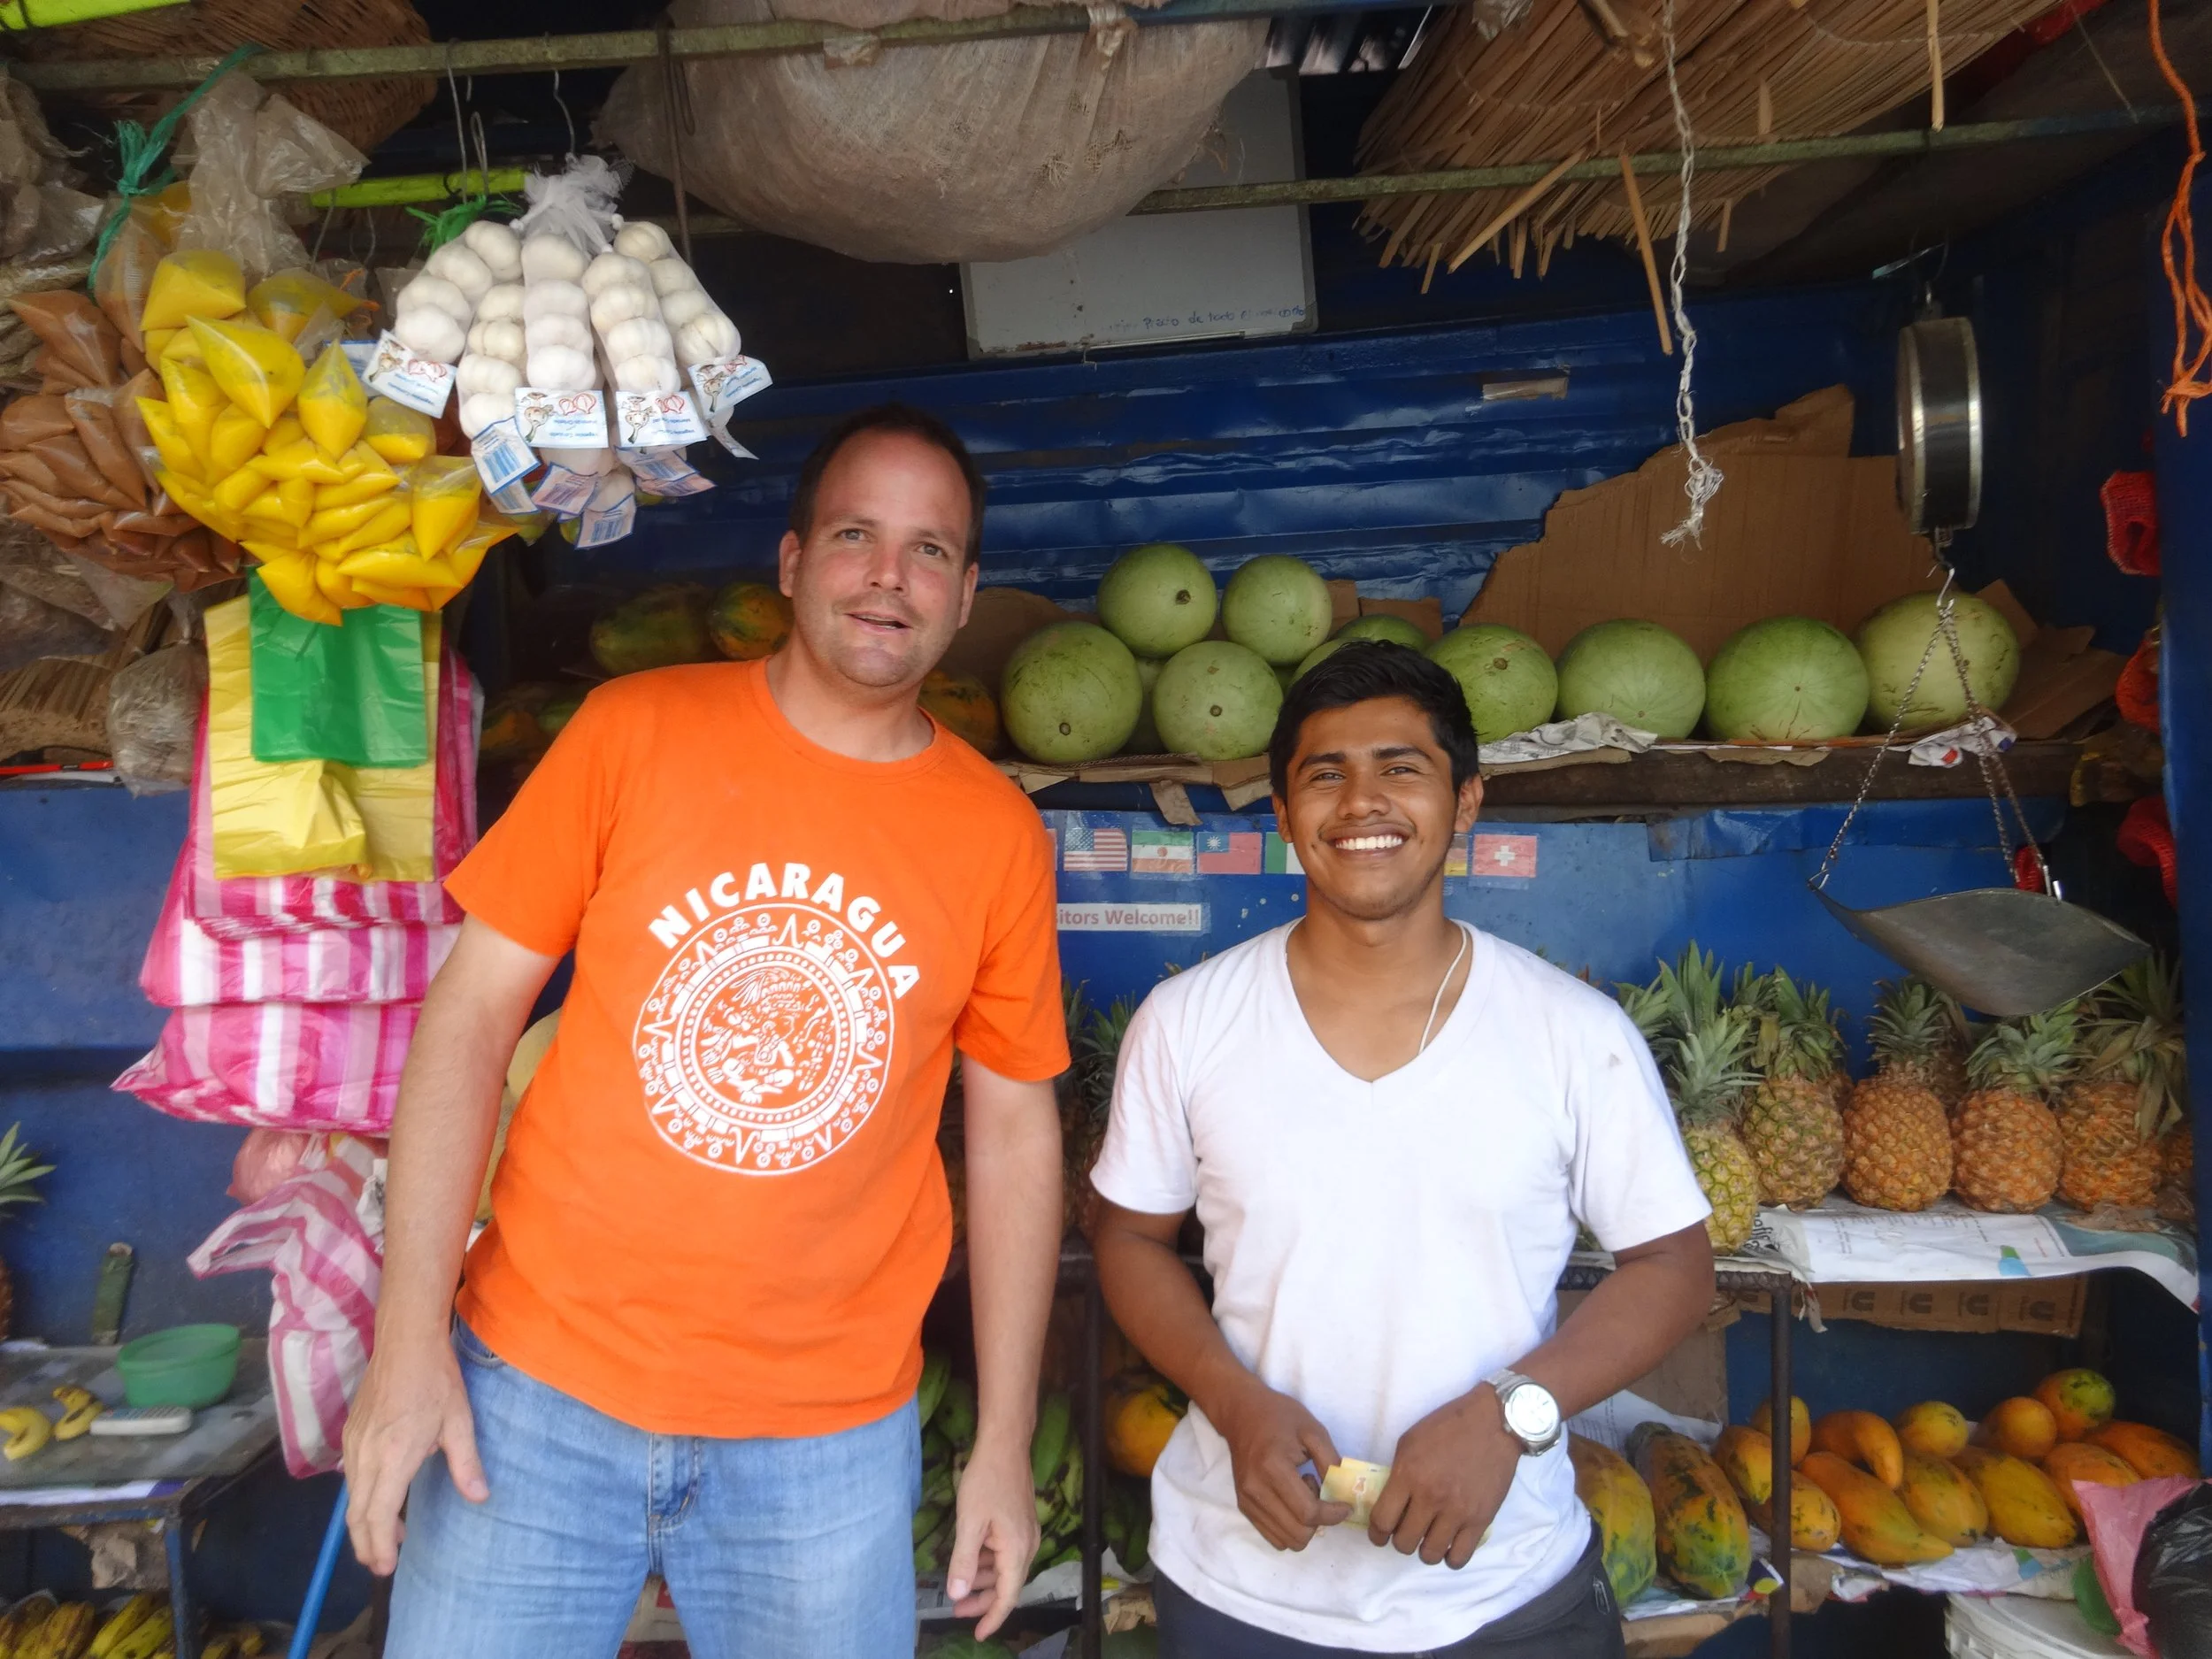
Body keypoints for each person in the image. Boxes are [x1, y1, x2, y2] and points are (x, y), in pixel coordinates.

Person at [346, 403, 1070, 1659]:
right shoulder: (636, 732)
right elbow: (468, 1018)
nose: (889, 574)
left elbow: (1012, 1131)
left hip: (825, 1440)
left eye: (931, 548)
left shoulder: (997, 832)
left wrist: (1002, 1439)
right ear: (792, 566)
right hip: (534, 1394)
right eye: (856, 534)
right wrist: (408, 1343)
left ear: (965, 598)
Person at [1089, 641, 1717, 1659]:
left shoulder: (1573, 1033)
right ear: (1286, 815)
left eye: (1401, 767)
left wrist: (1513, 1412)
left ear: (1465, 803)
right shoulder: (1187, 1021)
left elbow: (1675, 1267)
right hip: (1241, 1589)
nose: (1361, 801)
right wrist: (1235, 1401)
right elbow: (1128, 1242)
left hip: (1502, 1591)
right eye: (1323, 774)